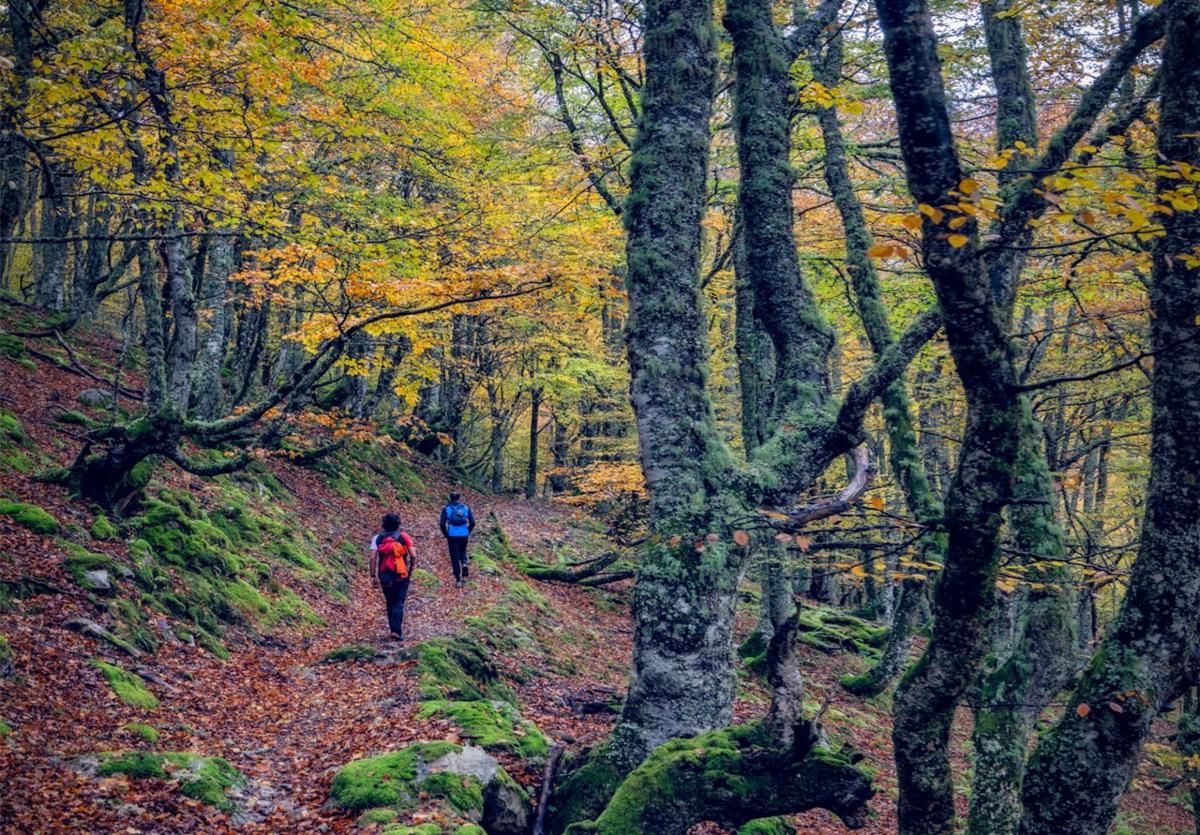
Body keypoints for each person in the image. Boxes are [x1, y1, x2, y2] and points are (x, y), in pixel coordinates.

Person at [369, 512, 415, 641]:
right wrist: (411, 569)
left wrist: (373, 575)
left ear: (383, 524)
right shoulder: (403, 536)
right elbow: (413, 555)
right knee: (399, 602)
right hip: (401, 574)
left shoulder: (377, 538)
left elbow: (373, 557)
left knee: (390, 601)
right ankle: (396, 631)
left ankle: (393, 630)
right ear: (398, 524)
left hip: (385, 575)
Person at [439, 492, 475, 588]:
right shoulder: (465, 508)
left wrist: (446, 534)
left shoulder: (446, 509)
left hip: (452, 535)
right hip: (464, 534)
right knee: (463, 550)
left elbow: (442, 524)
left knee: (454, 556)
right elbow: (473, 522)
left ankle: (458, 579)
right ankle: (464, 563)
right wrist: (468, 530)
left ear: (450, 498)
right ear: (459, 498)